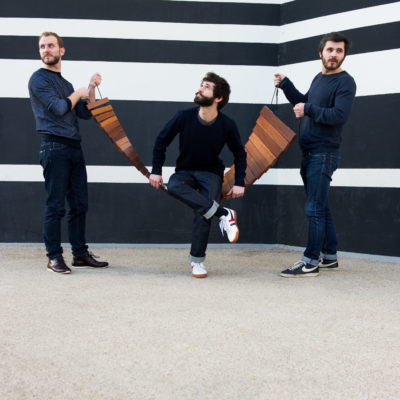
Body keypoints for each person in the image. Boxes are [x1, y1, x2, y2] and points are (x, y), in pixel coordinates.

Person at [274, 32, 356, 278]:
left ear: (344, 55)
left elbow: (338, 115)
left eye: (339, 50)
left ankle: (310, 261)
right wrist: (286, 85)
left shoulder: (345, 82)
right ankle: (329, 256)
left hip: (324, 153)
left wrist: (307, 108)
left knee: (314, 209)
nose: (334, 54)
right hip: (310, 152)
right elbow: (303, 102)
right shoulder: (319, 79)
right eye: (330, 49)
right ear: (320, 53)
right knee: (321, 206)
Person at [149, 72, 247, 278]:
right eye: (201, 85)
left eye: (206, 87)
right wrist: (156, 171)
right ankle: (224, 214)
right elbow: (161, 140)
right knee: (174, 186)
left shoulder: (227, 124)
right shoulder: (183, 116)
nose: (200, 89)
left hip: (211, 173)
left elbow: (240, 153)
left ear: (218, 98)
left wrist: (239, 182)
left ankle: (197, 261)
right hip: (184, 172)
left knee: (204, 211)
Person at [28, 32, 108, 274]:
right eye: (42, 46)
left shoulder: (65, 84)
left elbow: (85, 113)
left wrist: (91, 88)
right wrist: (79, 93)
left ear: (61, 50)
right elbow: (60, 107)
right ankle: (54, 257)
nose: (46, 50)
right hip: (53, 147)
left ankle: (80, 254)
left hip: (74, 148)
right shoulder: (38, 79)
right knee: (56, 207)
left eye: (51, 45)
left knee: (79, 205)